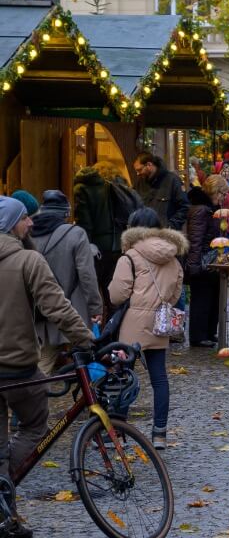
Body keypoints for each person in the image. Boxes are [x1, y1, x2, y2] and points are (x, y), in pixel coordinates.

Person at [0, 196, 94, 538]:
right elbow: (58, 307)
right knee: (35, 424)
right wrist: (86, 339)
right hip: (18, 365)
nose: (31, 223)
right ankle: (4, 490)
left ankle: (5, 513)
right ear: (12, 224)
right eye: (25, 218)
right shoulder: (27, 259)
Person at [109, 208, 187, 450]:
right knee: (159, 378)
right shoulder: (172, 257)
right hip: (159, 323)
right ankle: (160, 434)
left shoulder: (130, 257)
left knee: (123, 375)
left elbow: (117, 295)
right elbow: (175, 294)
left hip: (132, 324)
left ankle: (115, 433)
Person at [29, 190, 103, 375]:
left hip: (38, 310)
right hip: (71, 309)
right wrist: (96, 308)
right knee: (84, 357)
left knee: (43, 359)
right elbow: (87, 275)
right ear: (66, 213)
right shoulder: (76, 234)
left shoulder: (27, 233)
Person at [72, 163, 124, 307]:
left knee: (91, 293)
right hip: (118, 246)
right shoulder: (117, 188)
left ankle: (97, 319)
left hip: (96, 249)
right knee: (112, 295)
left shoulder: (82, 189)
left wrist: (84, 245)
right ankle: (113, 320)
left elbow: (84, 223)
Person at [184, 186, 222, 348]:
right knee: (201, 299)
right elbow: (195, 240)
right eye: (222, 193)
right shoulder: (202, 210)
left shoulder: (207, 209)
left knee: (211, 297)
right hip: (202, 262)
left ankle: (208, 333)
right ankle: (199, 336)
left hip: (208, 261)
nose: (224, 197)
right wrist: (194, 266)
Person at [134, 152, 188, 230]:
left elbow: (185, 206)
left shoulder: (173, 181)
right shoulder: (139, 184)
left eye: (139, 170)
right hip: (144, 233)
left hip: (165, 234)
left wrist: (171, 226)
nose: (138, 174)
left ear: (149, 165)